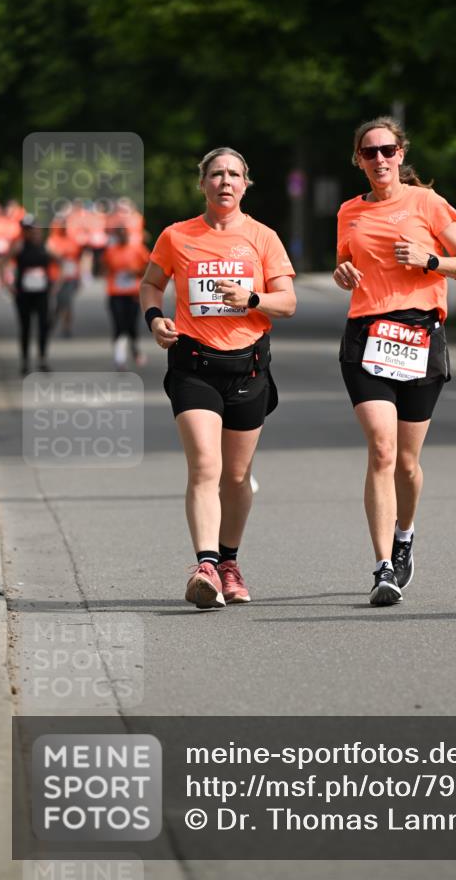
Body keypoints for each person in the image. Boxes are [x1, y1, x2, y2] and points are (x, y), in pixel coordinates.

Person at [139, 147, 296, 610]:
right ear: (202, 183)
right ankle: (205, 566)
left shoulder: (263, 238)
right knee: (205, 467)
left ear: (246, 184)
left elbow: (286, 304)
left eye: (234, 174)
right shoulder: (176, 236)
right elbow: (151, 283)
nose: (225, 181)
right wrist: (155, 319)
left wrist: (251, 298)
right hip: (194, 366)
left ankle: (229, 562)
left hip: (247, 367)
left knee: (237, 477)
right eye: (216, 174)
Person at [334, 116, 456, 606]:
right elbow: (344, 265)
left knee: (408, 464)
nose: (379, 159)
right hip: (367, 336)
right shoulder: (349, 211)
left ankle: (405, 534)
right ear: (358, 159)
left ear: (401, 153)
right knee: (381, 450)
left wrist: (430, 260)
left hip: (419, 336)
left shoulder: (427, 203)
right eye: (369, 152)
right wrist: (343, 273)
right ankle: (381, 569)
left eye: (387, 150)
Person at [2, 215, 59, 374]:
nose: (29, 232)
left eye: (31, 229)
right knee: (25, 327)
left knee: (43, 326)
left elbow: (61, 262)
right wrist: (8, 286)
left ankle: (42, 359)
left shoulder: (46, 246)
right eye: (26, 229)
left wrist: (56, 285)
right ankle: (25, 361)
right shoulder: (19, 246)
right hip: (24, 294)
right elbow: (2, 264)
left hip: (42, 293)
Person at [101, 225, 150, 369]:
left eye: (125, 234)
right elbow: (103, 268)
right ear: (117, 237)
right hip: (115, 294)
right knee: (119, 324)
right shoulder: (110, 251)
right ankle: (119, 357)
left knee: (132, 326)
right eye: (120, 235)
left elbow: (148, 267)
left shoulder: (138, 249)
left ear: (128, 235)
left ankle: (134, 348)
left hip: (133, 294)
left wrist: (136, 271)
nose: (122, 237)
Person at [47, 216, 83, 337]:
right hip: (56, 277)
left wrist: (79, 276)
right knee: (60, 302)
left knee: (67, 301)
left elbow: (77, 259)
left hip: (71, 276)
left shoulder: (72, 240)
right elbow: (49, 256)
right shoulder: (51, 240)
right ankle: (53, 319)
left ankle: (67, 327)